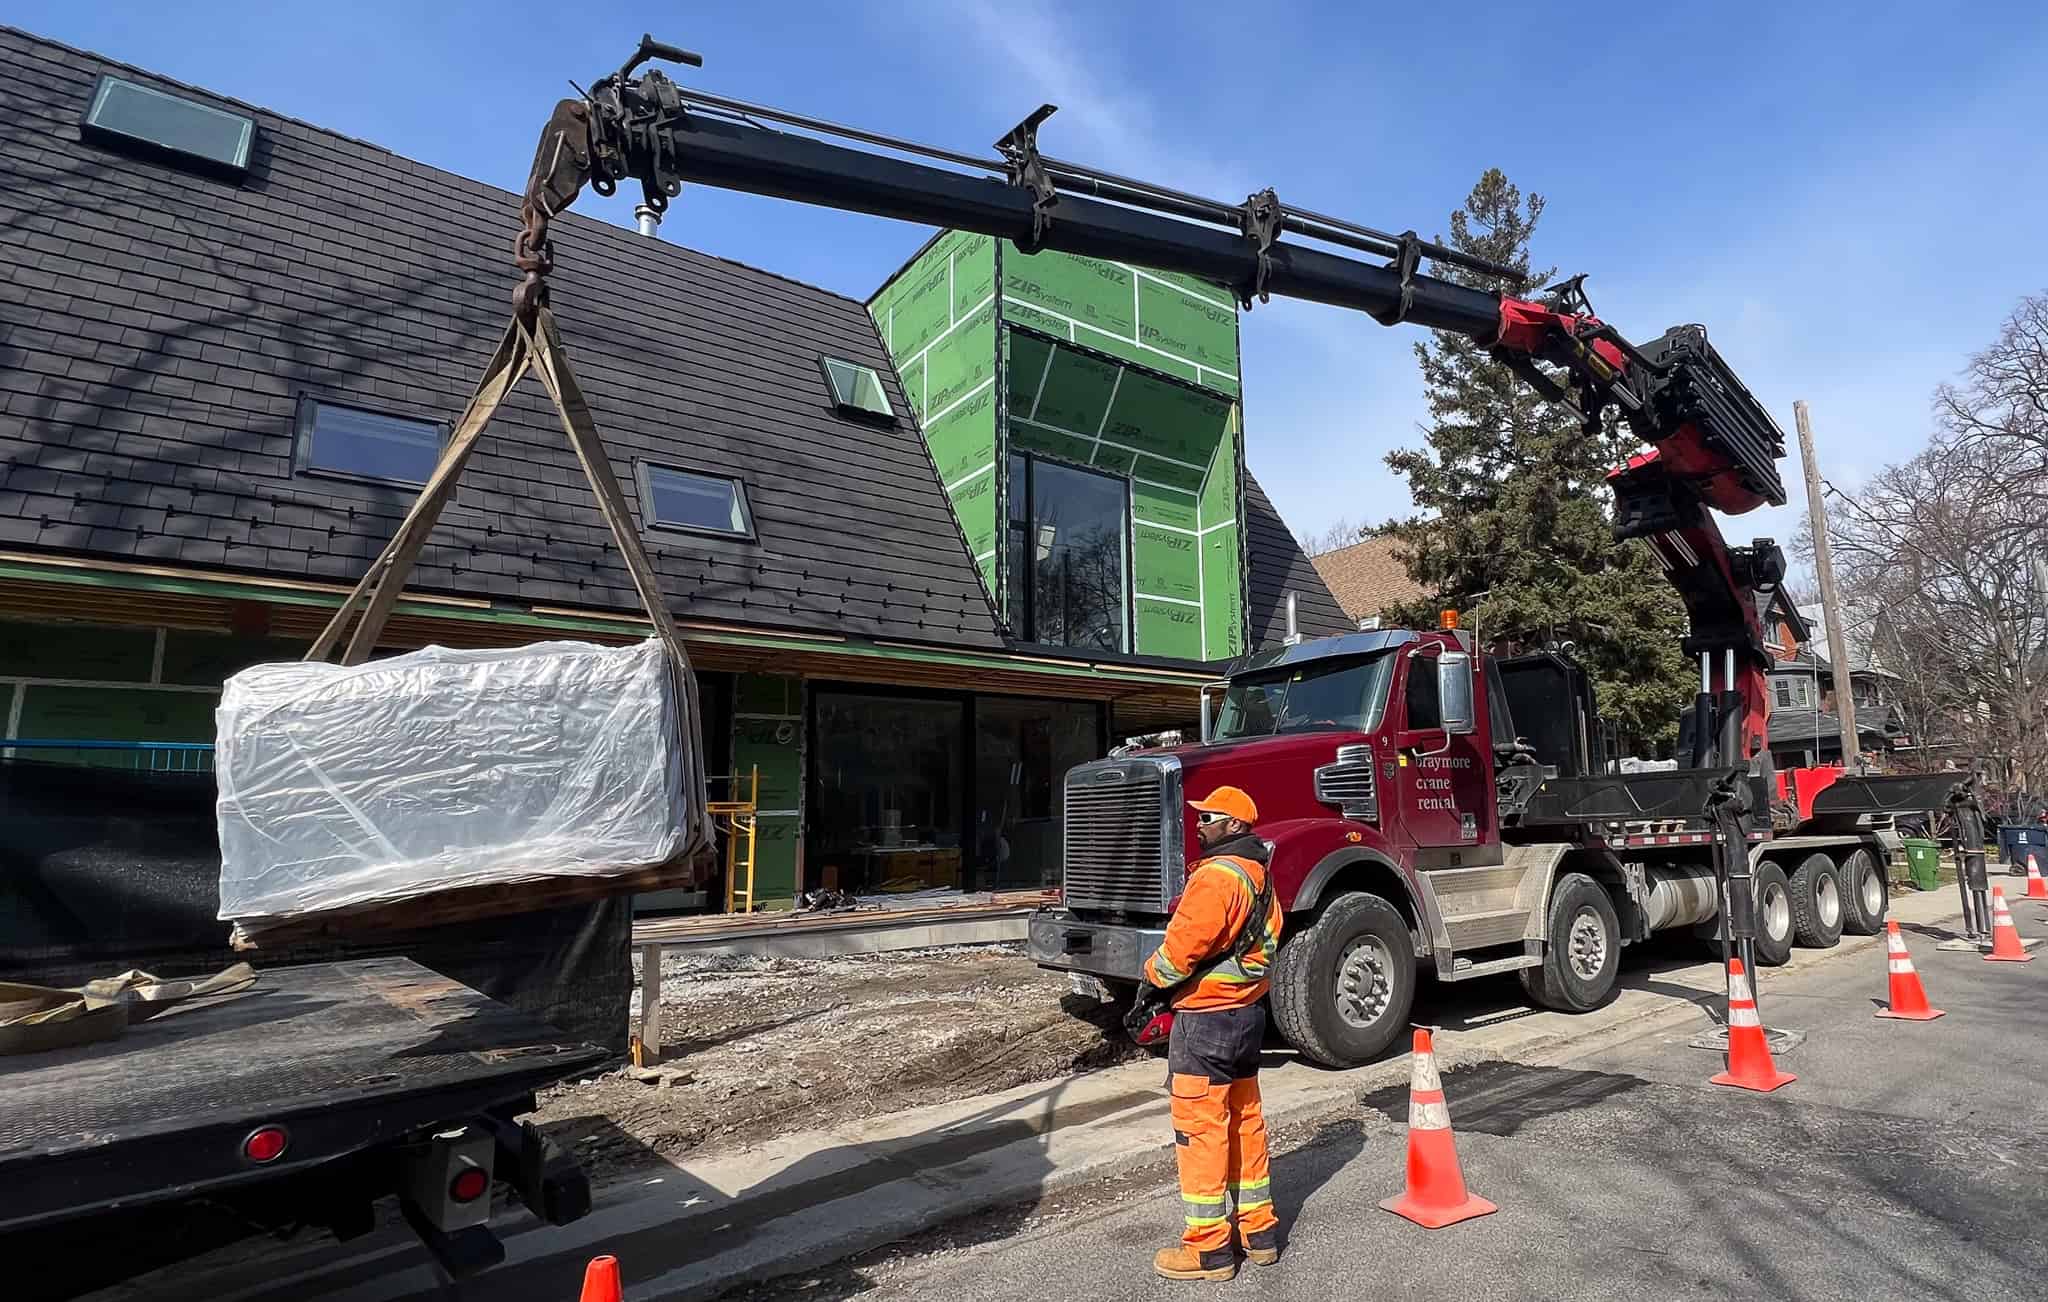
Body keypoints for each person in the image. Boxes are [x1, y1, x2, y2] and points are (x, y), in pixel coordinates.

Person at [1141, 785, 1283, 1282]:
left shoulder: (1217, 878)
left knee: (1201, 1131)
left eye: (1210, 819)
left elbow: (1180, 951)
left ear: (1236, 827)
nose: (1199, 825)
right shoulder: (1258, 875)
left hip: (1205, 1021)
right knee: (1245, 1123)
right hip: (1246, 1016)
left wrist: (1150, 980)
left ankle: (1209, 1252)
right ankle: (1259, 1235)